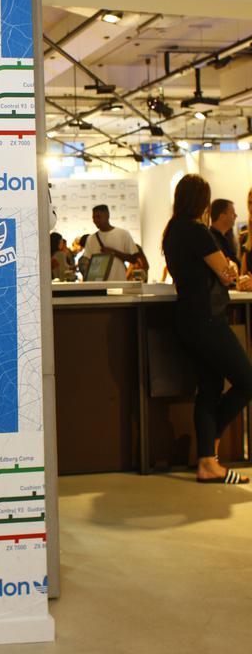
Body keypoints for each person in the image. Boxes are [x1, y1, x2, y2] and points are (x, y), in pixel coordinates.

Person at [162, 173, 252, 484]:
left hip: (188, 318)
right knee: (246, 381)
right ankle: (210, 446)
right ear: (201, 201)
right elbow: (227, 273)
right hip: (208, 318)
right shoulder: (197, 232)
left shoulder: (172, 231)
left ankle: (206, 462)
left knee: (210, 388)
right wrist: (230, 268)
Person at [82, 204, 147, 281]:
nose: (95, 221)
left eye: (98, 217)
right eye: (94, 218)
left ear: (107, 215)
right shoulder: (90, 239)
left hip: (119, 281)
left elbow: (134, 259)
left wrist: (114, 252)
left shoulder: (123, 234)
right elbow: (87, 260)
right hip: (98, 284)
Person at [209, 198, 240, 269]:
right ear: (222, 216)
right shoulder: (211, 240)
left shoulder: (228, 236)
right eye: (232, 212)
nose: (236, 215)